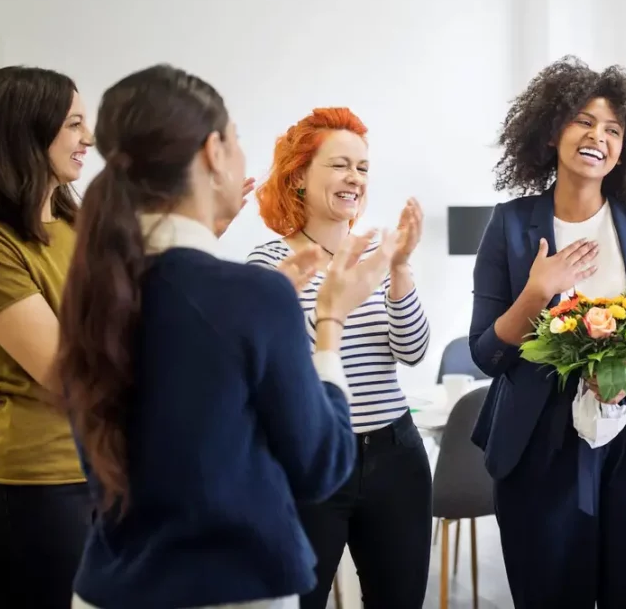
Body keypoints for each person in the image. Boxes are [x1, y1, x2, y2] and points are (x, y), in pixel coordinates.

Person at [57, 65, 385, 609]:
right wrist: (330, 323)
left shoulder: (94, 290)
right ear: (213, 152)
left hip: (108, 587)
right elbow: (322, 466)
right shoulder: (251, 294)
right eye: (235, 141)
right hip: (234, 588)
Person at [469, 57, 626, 609]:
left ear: (625, 148)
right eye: (583, 121)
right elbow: (486, 353)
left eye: (613, 129)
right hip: (539, 449)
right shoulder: (510, 223)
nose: (598, 137)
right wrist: (536, 293)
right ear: (552, 132)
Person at [249, 107, 431, 609]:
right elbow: (274, 366)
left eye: (363, 168)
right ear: (300, 178)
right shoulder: (270, 263)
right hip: (310, 460)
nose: (355, 178)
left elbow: (413, 351)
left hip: (396, 455)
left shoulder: (377, 256)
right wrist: (335, 303)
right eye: (340, 164)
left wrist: (398, 270)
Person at [0, 66, 94, 608]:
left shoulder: (78, 226)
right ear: (27, 130)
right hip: (38, 484)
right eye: (74, 123)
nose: (90, 139)